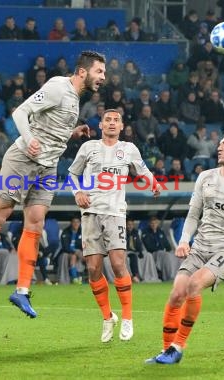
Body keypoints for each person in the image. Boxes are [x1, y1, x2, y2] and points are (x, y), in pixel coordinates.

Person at [0, 51, 107, 318]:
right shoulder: (57, 87)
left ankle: (22, 291)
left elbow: (52, 127)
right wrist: (28, 138)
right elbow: (21, 113)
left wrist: (72, 134)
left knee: (36, 223)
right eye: (99, 72)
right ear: (83, 72)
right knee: (0, 214)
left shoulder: (75, 99)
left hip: (48, 166)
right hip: (23, 159)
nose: (103, 78)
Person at [145, 132, 224, 364]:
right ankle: (166, 350)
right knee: (177, 292)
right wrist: (183, 240)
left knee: (193, 284)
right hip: (200, 246)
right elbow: (193, 214)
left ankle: (178, 346)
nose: (219, 147)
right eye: (220, 144)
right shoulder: (205, 177)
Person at [69, 108, 160, 343]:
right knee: (93, 269)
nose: (111, 123)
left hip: (115, 212)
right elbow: (72, 174)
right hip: (90, 212)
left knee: (119, 263)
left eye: (116, 120)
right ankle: (108, 316)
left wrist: (153, 183)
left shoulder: (128, 149)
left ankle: (128, 318)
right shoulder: (88, 148)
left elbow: (143, 170)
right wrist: (77, 191)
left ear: (122, 127)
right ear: (100, 125)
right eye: (107, 120)